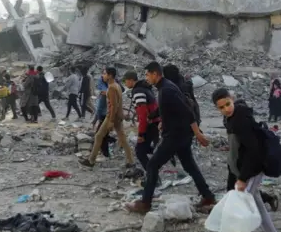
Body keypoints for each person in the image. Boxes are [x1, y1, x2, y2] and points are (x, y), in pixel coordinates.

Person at [125, 61, 215, 214]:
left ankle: (145, 203)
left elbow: (186, 111)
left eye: (147, 74)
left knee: (153, 165)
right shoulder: (165, 88)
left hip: (175, 136)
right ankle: (208, 196)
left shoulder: (166, 89)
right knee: (190, 166)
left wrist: (198, 133)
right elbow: (166, 109)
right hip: (181, 134)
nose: (146, 78)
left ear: (155, 74)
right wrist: (157, 119)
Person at [212, 87, 280, 232]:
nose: (226, 109)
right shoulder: (231, 119)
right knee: (257, 203)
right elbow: (238, 149)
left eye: (228, 104)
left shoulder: (240, 120)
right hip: (243, 169)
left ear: (232, 99)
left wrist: (243, 178)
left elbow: (252, 151)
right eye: (221, 107)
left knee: (239, 203)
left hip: (252, 169)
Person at [80, 67, 135, 168]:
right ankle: (131, 161)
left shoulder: (112, 88)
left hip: (111, 117)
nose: (103, 76)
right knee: (122, 138)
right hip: (118, 116)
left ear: (110, 75)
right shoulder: (116, 85)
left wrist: (111, 121)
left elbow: (113, 106)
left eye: (105, 74)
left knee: (98, 136)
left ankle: (91, 161)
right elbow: (118, 104)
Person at [123, 71, 161, 179]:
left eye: (125, 81)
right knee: (149, 149)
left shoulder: (138, 92)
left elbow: (143, 115)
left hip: (150, 124)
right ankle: (153, 174)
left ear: (130, 80)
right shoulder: (145, 88)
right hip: (155, 122)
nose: (125, 84)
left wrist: (141, 134)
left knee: (140, 152)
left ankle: (154, 177)